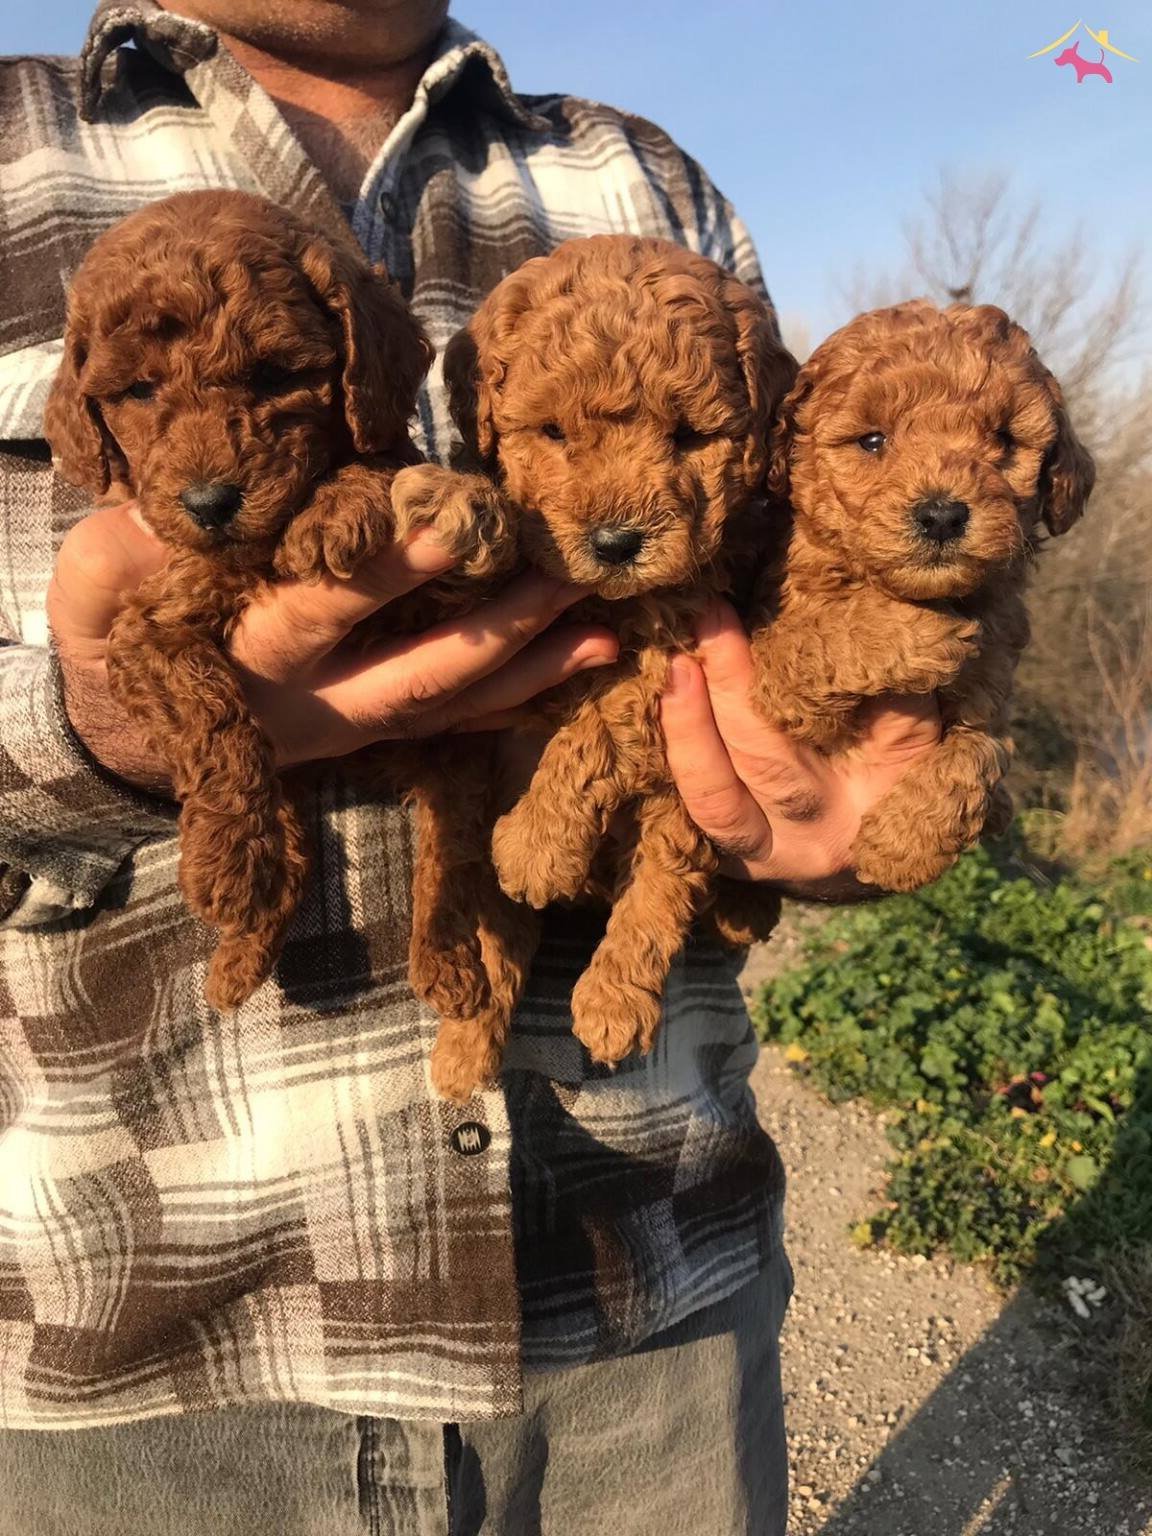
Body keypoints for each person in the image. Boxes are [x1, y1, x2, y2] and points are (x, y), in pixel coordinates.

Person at [0, 3, 940, 1531]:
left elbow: (806, 567)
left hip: (649, 1304)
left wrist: (845, 803)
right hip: (141, 1340)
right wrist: (92, 736)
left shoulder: (647, 180)